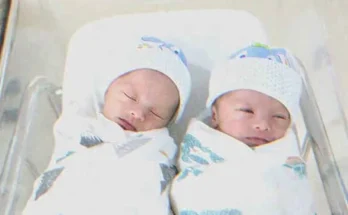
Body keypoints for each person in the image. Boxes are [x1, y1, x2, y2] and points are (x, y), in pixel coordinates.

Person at [22, 36, 191, 215]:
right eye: (129, 96)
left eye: (156, 113)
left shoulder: (159, 147)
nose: (138, 114)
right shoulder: (80, 125)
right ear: (107, 88)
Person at [170, 43, 316, 215]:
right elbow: (190, 193)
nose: (262, 125)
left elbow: (295, 193)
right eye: (247, 111)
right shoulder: (202, 147)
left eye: (279, 117)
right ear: (215, 116)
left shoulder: (285, 154)